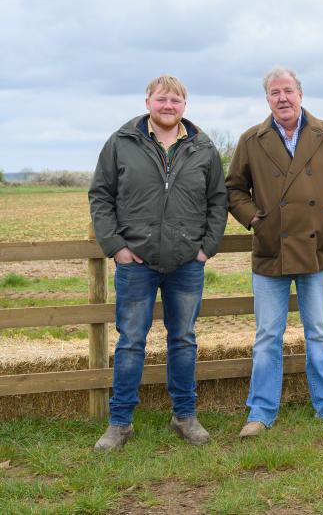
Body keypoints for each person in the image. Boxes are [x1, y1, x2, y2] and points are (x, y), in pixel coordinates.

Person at [226, 66, 323, 438]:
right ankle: (260, 413)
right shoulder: (251, 140)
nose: (282, 98)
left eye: (288, 90)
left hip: (314, 248)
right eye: (274, 92)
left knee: (318, 332)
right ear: (267, 99)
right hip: (270, 250)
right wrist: (255, 219)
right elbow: (233, 190)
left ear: (300, 94)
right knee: (267, 336)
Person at [88, 75, 228, 452]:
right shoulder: (121, 143)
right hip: (136, 262)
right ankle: (120, 423)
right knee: (131, 342)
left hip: (187, 263)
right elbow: (100, 196)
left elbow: (218, 201)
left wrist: (206, 248)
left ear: (186, 105)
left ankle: (184, 416)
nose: (169, 106)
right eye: (162, 99)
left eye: (176, 101)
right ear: (148, 101)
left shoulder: (202, 147)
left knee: (183, 340)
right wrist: (116, 247)